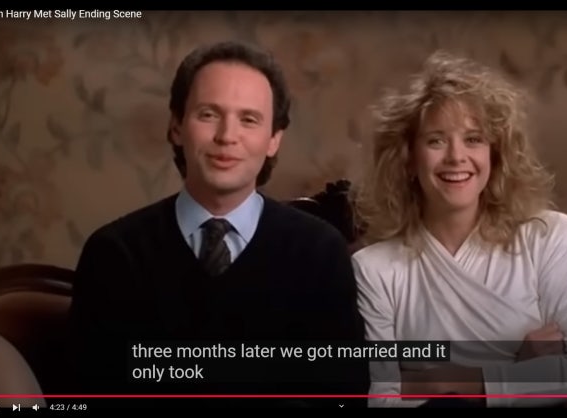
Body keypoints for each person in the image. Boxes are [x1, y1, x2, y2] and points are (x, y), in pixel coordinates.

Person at [68, 41, 368, 408]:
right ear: (176, 126)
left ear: (274, 140)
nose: (227, 136)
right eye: (208, 114)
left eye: (249, 119)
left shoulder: (320, 252)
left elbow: (343, 398)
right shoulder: (114, 254)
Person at [351, 50, 567, 408]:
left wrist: (444, 382)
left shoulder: (551, 237)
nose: (456, 156)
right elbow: (381, 401)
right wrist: (518, 370)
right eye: (436, 140)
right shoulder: (374, 269)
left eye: (473, 139)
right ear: (408, 159)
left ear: (495, 155)